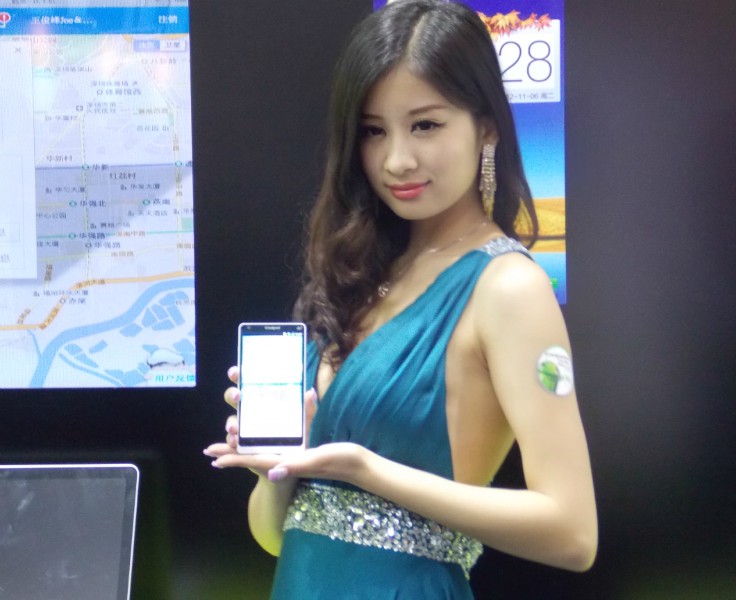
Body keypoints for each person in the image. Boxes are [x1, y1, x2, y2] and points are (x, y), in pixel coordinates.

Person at [204, 1, 597, 598]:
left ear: (487, 126)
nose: (397, 160)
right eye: (374, 130)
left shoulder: (508, 287)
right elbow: (277, 536)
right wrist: (275, 473)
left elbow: (572, 532)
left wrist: (366, 470)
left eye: (425, 125)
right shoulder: (362, 272)